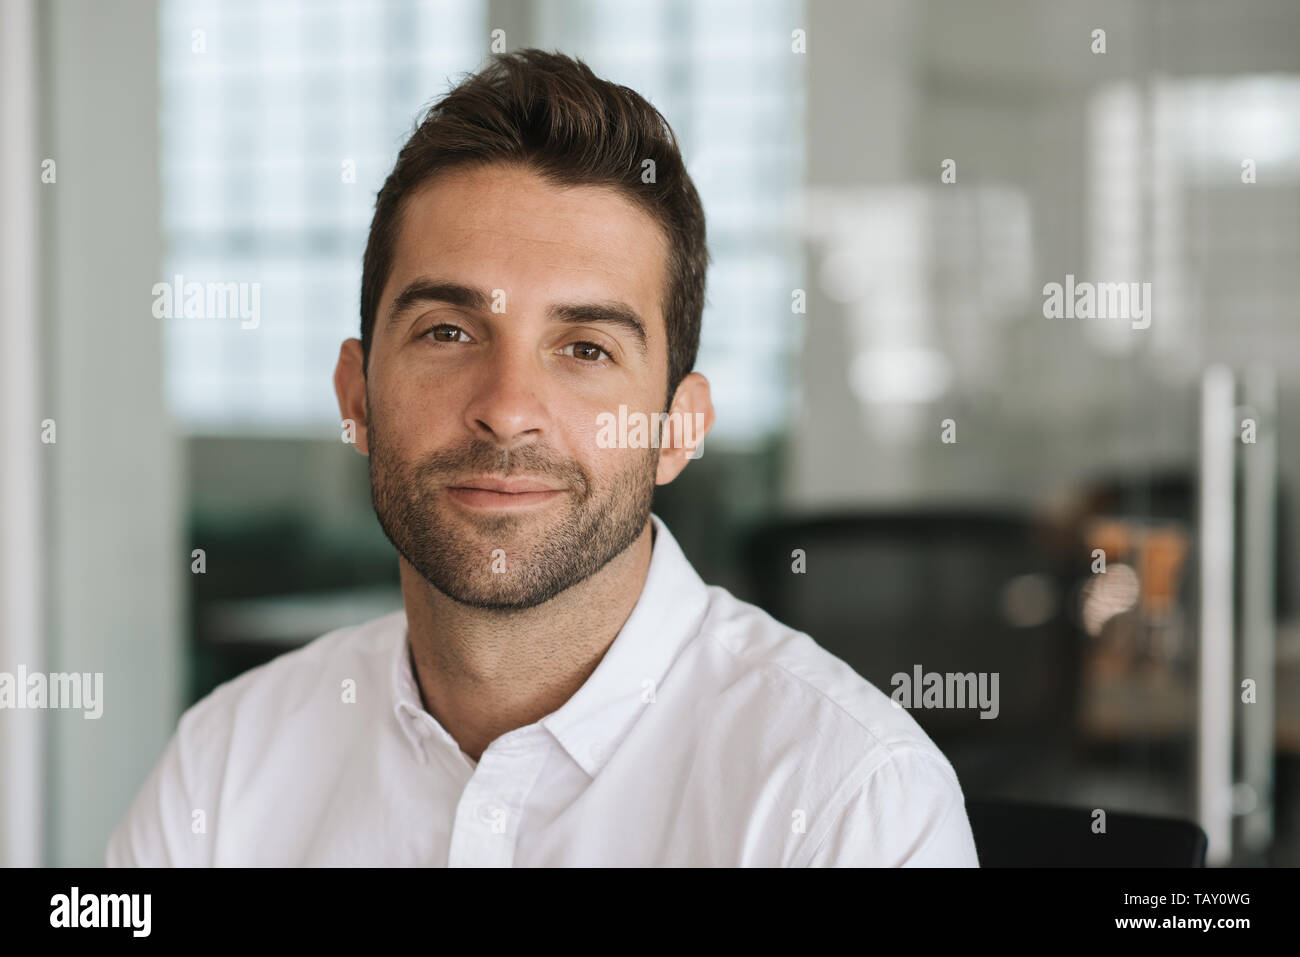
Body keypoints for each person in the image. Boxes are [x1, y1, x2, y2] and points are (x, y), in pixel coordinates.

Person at [106, 48, 979, 867]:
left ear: (679, 428)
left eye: (587, 347)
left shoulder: (852, 806)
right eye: (447, 332)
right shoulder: (221, 772)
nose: (507, 409)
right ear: (357, 397)